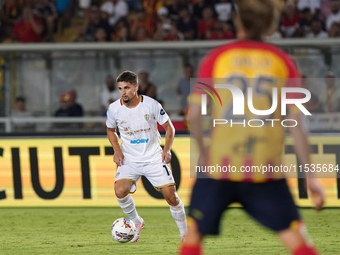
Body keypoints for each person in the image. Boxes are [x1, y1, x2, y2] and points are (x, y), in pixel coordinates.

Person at [180, 0, 325, 255]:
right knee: (296, 237)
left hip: (220, 166)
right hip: (264, 168)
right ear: (271, 25)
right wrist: (311, 176)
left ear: (238, 21)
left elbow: (193, 115)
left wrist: (203, 151)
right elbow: (297, 124)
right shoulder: (283, 62)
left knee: (193, 235)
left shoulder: (217, 58)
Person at [106, 71, 187, 243]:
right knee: (120, 191)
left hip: (153, 157)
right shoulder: (114, 109)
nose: (123, 92)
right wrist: (117, 150)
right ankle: (137, 222)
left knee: (171, 197)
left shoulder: (151, 105)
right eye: (120, 89)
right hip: (129, 158)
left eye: (127, 88)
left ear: (136, 87)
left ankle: (185, 234)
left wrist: (167, 149)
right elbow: (110, 130)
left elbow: (169, 128)